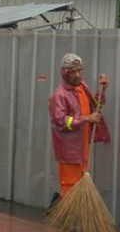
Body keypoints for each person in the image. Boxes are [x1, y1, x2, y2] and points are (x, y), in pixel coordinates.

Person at [47, 53, 110, 209]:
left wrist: (103, 90)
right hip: (69, 150)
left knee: (79, 183)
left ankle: (67, 214)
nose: (77, 75)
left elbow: (95, 106)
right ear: (65, 73)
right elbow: (61, 121)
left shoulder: (83, 88)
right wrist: (86, 119)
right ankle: (65, 216)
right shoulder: (60, 95)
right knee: (69, 185)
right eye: (73, 71)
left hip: (82, 146)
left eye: (79, 70)